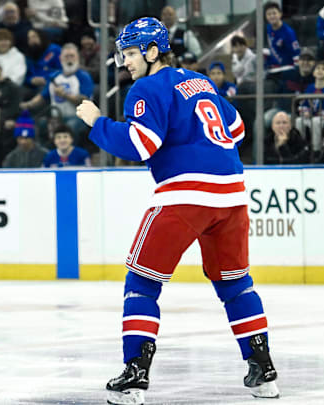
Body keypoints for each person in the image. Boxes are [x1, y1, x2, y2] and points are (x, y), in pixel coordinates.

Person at [75, 17, 279, 405]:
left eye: (132, 53)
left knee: (142, 283)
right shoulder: (202, 82)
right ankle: (263, 370)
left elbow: (140, 144)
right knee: (236, 285)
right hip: (232, 196)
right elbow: (236, 129)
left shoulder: (146, 87)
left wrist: (97, 122)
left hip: (185, 194)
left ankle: (135, 376)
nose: (125, 62)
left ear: (153, 51)